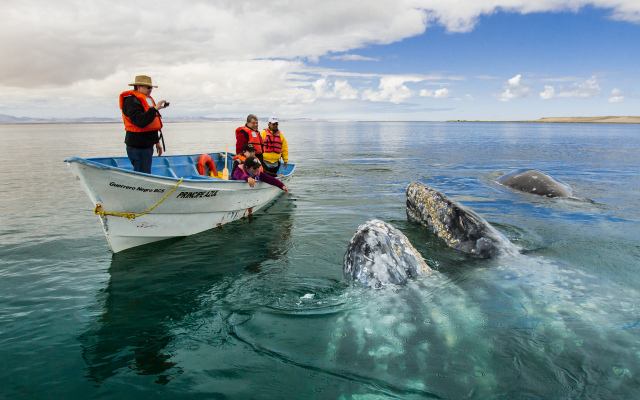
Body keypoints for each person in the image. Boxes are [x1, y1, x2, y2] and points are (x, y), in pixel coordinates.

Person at [119, 75, 169, 174]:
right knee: (142, 174)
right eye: (148, 87)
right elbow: (139, 122)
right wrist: (155, 109)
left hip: (147, 145)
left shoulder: (147, 100)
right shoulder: (131, 101)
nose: (151, 90)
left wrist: (156, 141)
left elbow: (150, 123)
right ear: (138, 87)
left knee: (145, 172)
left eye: (151, 87)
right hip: (138, 146)